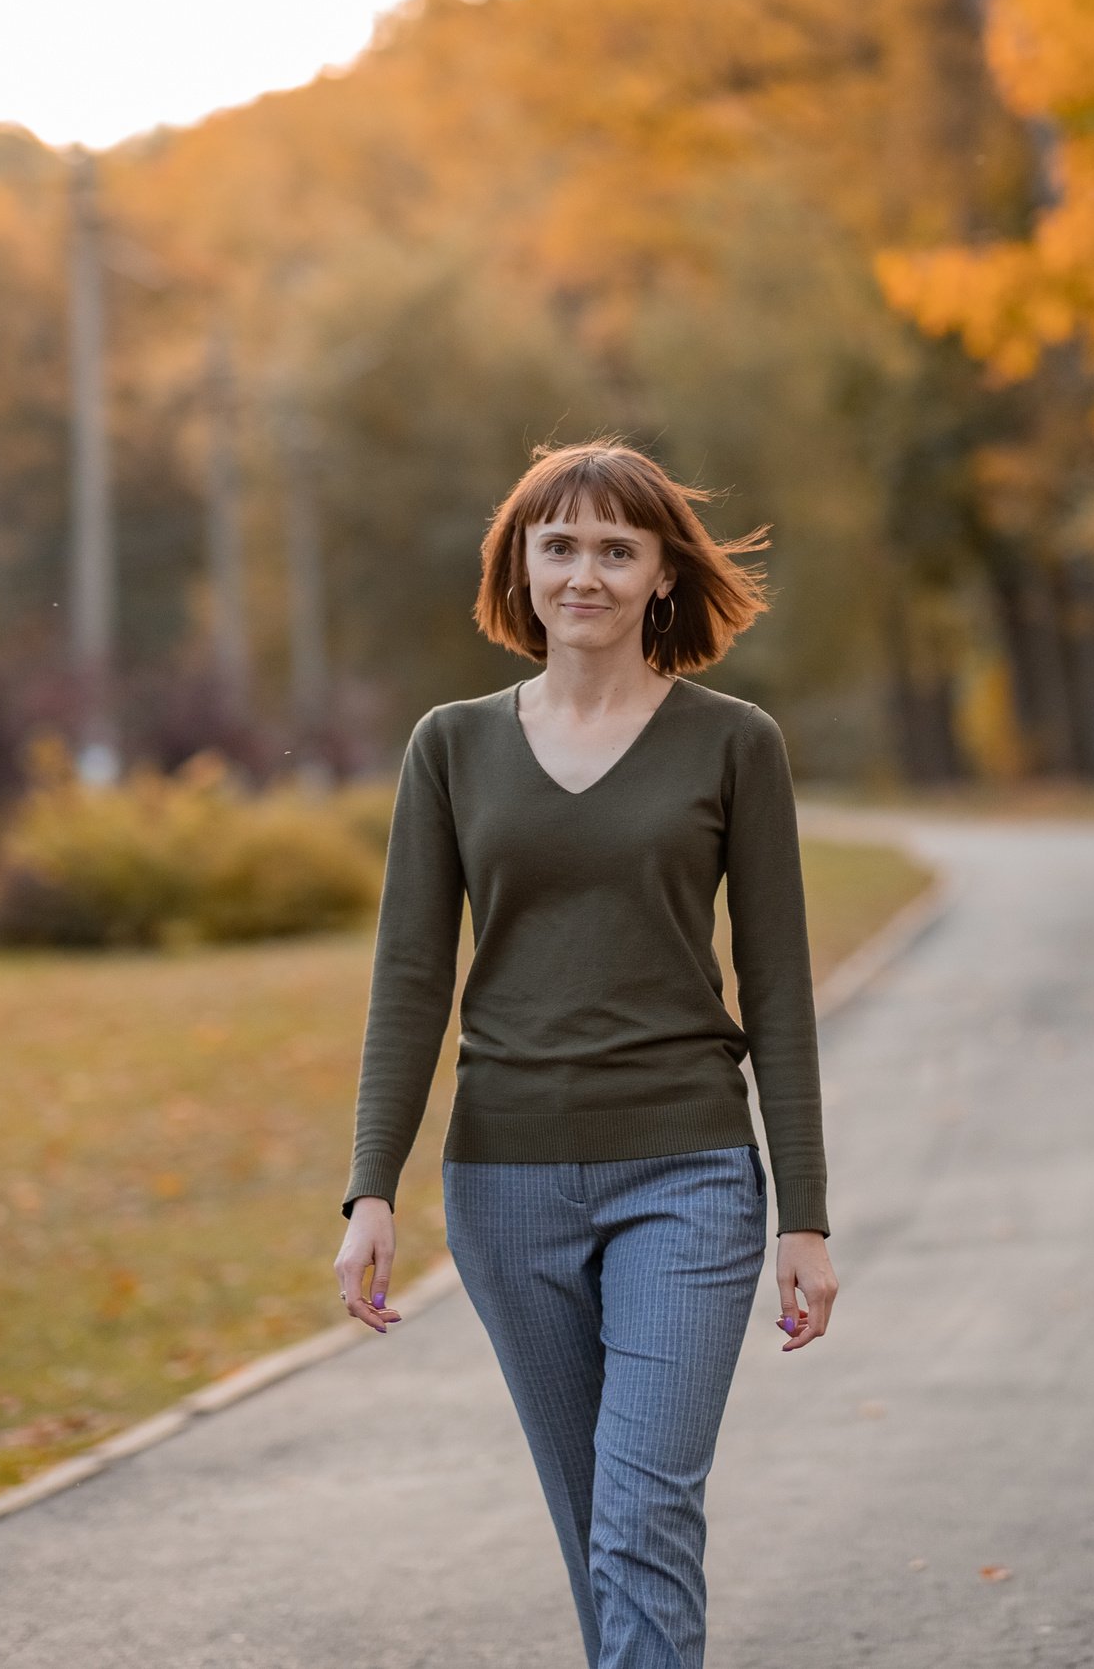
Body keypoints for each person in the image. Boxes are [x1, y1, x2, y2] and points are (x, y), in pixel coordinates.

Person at [331, 441, 837, 1669]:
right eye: (559, 545)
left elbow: (775, 986)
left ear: (663, 574)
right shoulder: (449, 747)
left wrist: (805, 1214)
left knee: (642, 1513)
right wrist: (369, 1188)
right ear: (521, 563)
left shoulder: (733, 743)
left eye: (618, 548)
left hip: (690, 1172)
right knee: (593, 1523)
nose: (586, 574)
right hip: (506, 1183)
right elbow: (410, 979)